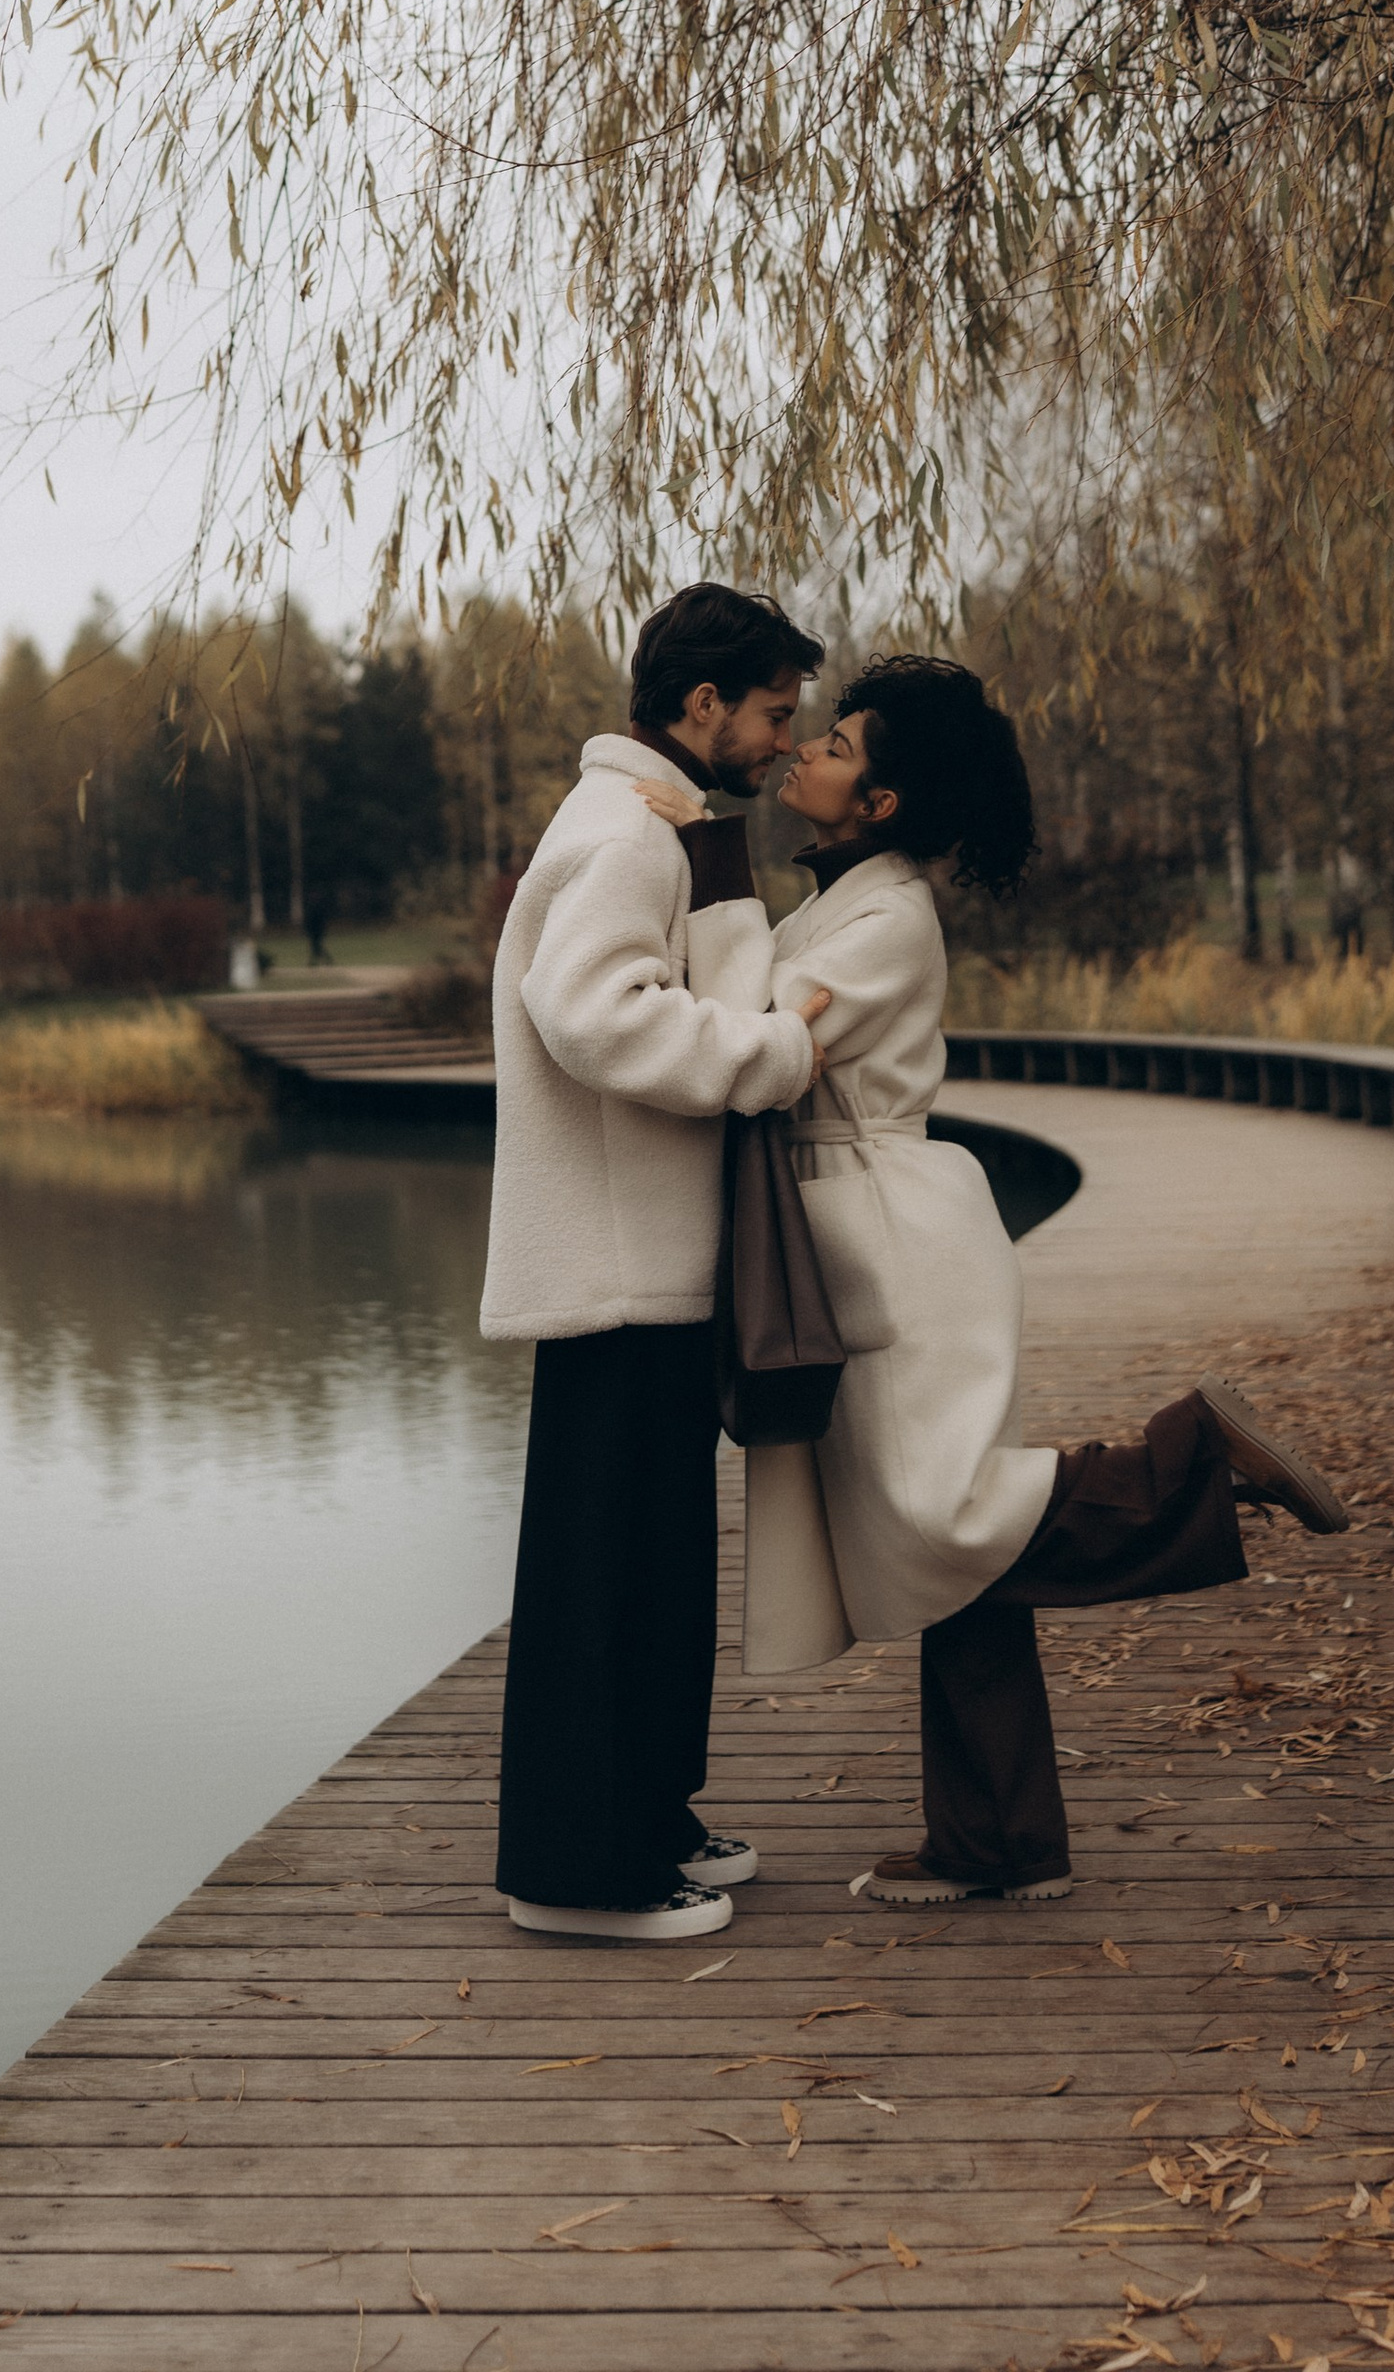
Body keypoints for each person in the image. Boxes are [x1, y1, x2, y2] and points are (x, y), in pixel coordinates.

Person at [637, 655, 1349, 1904]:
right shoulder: (847, 898)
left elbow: (757, 1032)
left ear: (883, 805)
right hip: (851, 1224)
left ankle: (1188, 1459)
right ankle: (998, 1839)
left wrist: (703, 857)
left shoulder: (886, 920)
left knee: (945, 1522)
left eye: (840, 745)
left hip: (889, 1235)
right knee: (955, 1552)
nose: (804, 751)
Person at [483, 580, 836, 1944]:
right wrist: (776, 1055)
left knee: (648, 1567)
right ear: (699, 706)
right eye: (769, 713)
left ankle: (642, 1818)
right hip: (619, 1271)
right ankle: (578, 1874)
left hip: (644, 1264)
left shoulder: (655, 824)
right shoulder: (627, 838)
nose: (783, 741)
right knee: (603, 1578)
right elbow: (594, 1014)